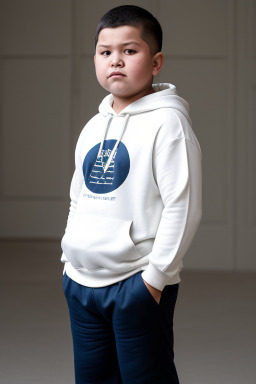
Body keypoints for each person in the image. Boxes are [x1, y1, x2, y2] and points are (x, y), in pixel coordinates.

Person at [61, 5, 202, 384]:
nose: (116, 61)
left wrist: (155, 279)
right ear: (95, 59)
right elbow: (79, 195)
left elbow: (182, 207)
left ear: (156, 62)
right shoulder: (94, 126)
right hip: (81, 281)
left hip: (135, 282)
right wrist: (68, 256)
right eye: (106, 52)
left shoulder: (168, 123)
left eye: (130, 50)